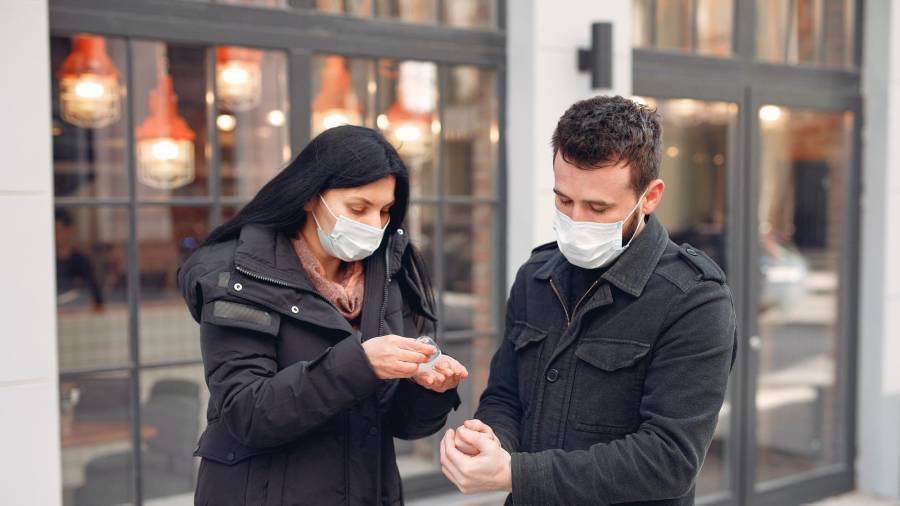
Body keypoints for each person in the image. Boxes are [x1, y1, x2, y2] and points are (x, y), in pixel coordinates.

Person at [439, 96, 737, 505]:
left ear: (649, 197)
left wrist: (516, 472)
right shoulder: (536, 277)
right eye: (564, 200)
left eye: (598, 207)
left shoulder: (694, 301)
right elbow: (506, 396)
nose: (576, 220)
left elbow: (669, 460)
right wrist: (490, 438)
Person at [177, 125, 468, 506]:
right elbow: (246, 413)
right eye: (358, 208)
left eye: (384, 211)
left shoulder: (390, 274)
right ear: (311, 197)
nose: (374, 225)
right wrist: (361, 363)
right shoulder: (240, 275)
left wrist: (428, 391)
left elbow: (401, 425)